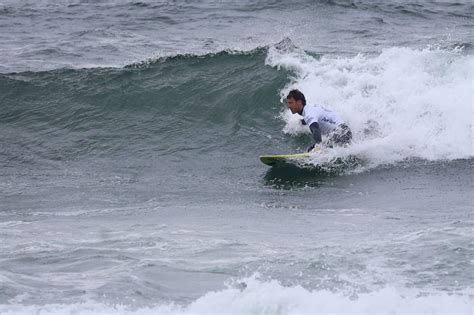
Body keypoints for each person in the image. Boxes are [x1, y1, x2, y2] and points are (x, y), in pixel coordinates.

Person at [286, 89, 352, 152]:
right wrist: (301, 122)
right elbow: (314, 119)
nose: (288, 106)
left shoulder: (309, 114)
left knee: (319, 150)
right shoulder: (309, 109)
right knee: (317, 149)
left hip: (340, 133)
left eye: (291, 103)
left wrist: (318, 146)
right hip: (344, 132)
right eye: (288, 103)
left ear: (299, 102)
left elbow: (315, 128)